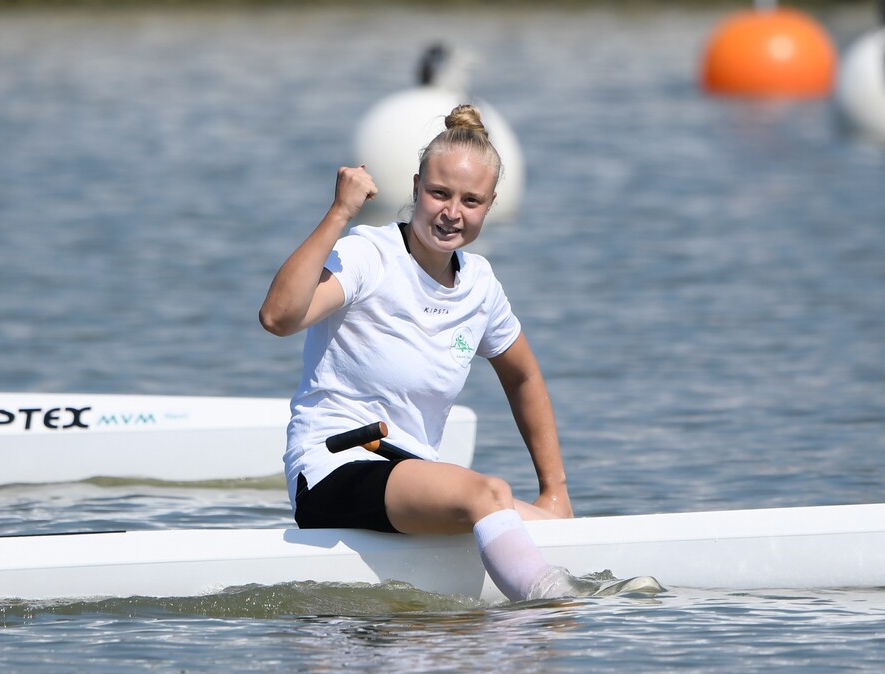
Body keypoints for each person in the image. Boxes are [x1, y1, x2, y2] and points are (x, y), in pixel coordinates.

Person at [260, 104, 657, 601]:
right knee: (488, 493)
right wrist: (340, 212)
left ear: (489, 207)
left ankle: (554, 591)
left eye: (471, 201)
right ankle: (553, 608)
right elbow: (278, 318)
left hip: (409, 474)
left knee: (539, 525)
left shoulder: (481, 286)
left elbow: (524, 378)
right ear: (415, 187)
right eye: (439, 193)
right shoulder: (368, 254)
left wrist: (556, 494)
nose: (452, 212)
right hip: (332, 468)